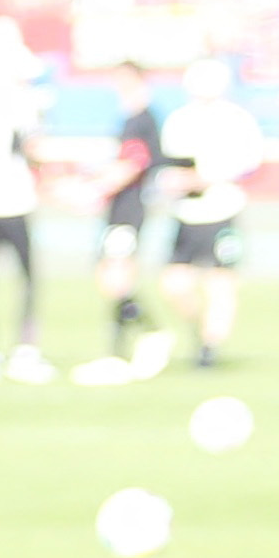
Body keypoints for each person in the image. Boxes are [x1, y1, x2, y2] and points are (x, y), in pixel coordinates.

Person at [156, 75, 263, 369]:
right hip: (186, 214)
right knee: (174, 284)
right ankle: (200, 329)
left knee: (220, 283)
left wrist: (209, 176)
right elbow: (168, 166)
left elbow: (251, 163)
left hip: (221, 212)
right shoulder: (178, 121)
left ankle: (209, 348)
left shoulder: (236, 120)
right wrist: (172, 182)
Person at [90, 75, 165, 377]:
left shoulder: (142, 120)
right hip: (119, 209)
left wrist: (96, 188)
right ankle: (124, 344)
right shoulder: (130, 120)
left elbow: (133, 164)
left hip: (129, 211)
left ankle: (148, 332)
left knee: (116, 277)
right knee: (110, 277)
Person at [0, 30, 43, 380]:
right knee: (27, 278)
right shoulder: (19, 99)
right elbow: (34, 147)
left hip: (1, 200)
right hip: (12, 201)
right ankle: (24, 351)